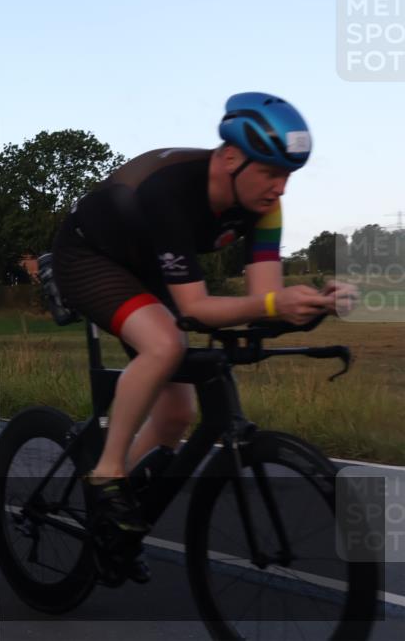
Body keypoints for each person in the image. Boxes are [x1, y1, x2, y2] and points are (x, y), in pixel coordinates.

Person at [50, 92, 358, 583]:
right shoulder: (171, 191)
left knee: (176, 412)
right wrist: (276, 304)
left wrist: (313, 306)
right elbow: (197, 309)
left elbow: (262, 303)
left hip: (146, 264)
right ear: (231, 158)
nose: (280, 189)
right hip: (90, 258)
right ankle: (107, 475)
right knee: (166, 344)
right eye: (271, 173)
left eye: (288, 177)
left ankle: (111, 513)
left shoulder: (264, 209)